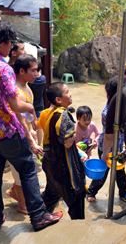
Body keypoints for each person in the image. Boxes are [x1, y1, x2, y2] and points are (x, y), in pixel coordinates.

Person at [0, 21, 62, 233]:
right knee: (28, 169)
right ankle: (38, 216)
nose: (10, 47)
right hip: (7, 131)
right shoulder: (3, 68)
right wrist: (31, 107)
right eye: (9, 43)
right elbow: (15, 104)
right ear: (2, 43)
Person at [39, 82, 86, 219]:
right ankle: (78, 224)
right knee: (76, 195)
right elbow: (67, 143)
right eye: (67, 92)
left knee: (52, 191)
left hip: (49, 161)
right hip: (61, 166)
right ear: (58, 100)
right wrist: (74, 136)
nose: (70, 94)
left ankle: (40, 214)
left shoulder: (49, 112)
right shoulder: (65, 116)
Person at [6, 54, 43, 214]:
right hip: (17, 136)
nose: (37, 74)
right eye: (33, 71)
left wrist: (34, 131)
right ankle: (22, 205)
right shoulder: (15, 91)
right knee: (22, 173)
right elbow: (19, 118)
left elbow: (30, 115)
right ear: (22, 71)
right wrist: (31, 139)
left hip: (27, 134)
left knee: (32, 169)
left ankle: (15, 192)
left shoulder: (27, 87)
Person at [86, 76, 126, 203]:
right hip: (106, 146)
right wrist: (105, 153)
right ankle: (91, 192)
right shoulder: (109, 110)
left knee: (120, 173)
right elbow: (111, 135)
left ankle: (123, 193)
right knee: (102, 172)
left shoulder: (120, 106)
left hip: (119, 146)